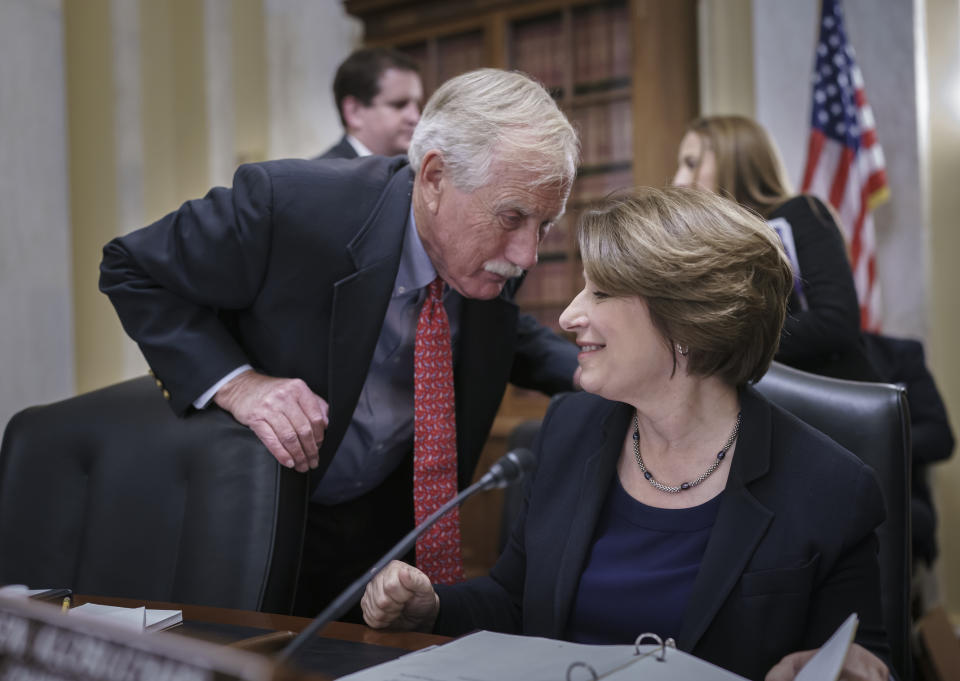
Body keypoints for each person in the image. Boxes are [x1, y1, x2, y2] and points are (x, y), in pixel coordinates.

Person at [99, 68, 580, 619]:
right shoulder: (294, 207)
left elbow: (501, 334)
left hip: (379, 531)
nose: (526, 255)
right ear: (435, 176)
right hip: (259, 518)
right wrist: (240, 385)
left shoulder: (486, 255)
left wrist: (606, 368)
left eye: (544, 226)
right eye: (513, 217)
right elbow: (132, 268)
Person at [361, 188, 891, 681]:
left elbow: (863, 659)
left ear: (688, 322)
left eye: (602, 292)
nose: (570, 315)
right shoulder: (568, 430)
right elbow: (514, 600)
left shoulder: (832, 488)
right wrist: (435, 607)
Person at [672, 115, 878, 382]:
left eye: (691, 164)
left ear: (735, 160)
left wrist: (724, 341)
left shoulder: (801, 214)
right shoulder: (693, 243)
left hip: (823, 392)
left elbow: (836, 322)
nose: (678, 180)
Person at [317, 47, 422, 159]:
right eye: (399, 105)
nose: (415, 118)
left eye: (418, 105)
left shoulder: (414, 171)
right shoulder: (320, 174)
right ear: (354, 112)